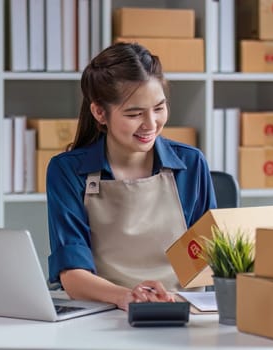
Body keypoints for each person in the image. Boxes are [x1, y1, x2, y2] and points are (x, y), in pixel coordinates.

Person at [46, 42, 217, 311]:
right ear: (99, 113)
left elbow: (211, 259)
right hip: (101, 312)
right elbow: (72, 275)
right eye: (135, 114)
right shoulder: (67, 171)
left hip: (182, 311)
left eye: (159, 108)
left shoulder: (190, 163)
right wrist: (125, 296)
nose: (151, 124)